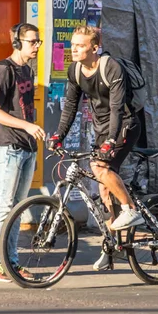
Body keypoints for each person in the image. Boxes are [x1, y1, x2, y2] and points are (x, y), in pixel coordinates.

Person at [48, 25, 143, 271]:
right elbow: (70, 105)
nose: (74, 49)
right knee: (102, 190)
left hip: (125, 125)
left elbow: (117, 108)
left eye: (80, 45)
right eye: (72, 45)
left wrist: (111, 140)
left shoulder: (111, 67)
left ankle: (130, 209)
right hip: (102, 128)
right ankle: (113, 247)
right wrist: (59, 135)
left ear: (94, 47)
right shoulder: (75, 70)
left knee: (102, 169)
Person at [0, 23, 46, 282]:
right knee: (3, 206)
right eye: (33, 42)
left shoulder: (27, 69)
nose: (37, 47)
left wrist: (31, 132)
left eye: (38, 42)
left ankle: (11, 262)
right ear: (18, 43)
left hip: (27, 146)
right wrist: (27, 126)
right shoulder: (3, 69)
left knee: (18, 208)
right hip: (8, 146)